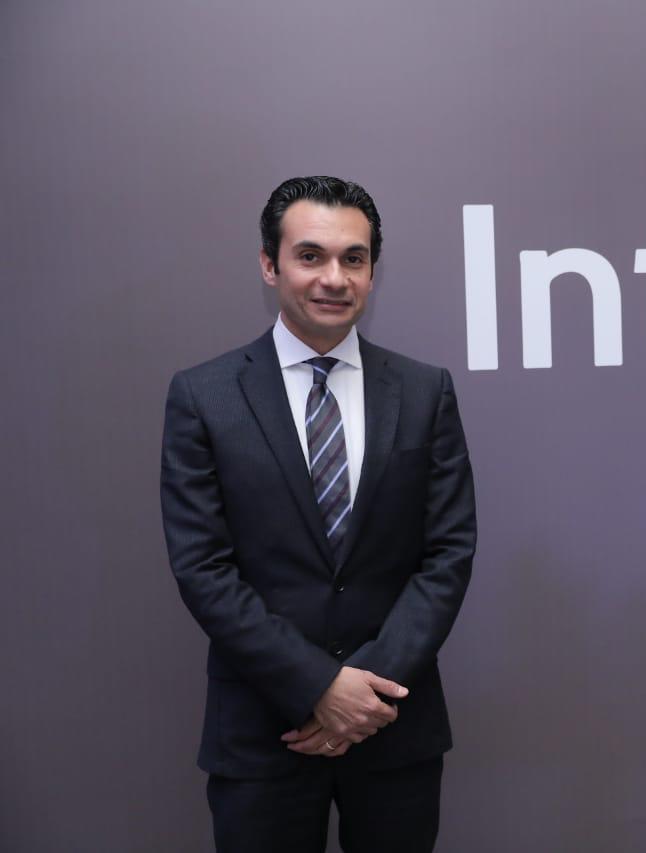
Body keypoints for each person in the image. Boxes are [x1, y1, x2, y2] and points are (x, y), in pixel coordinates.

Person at [160, 176, 476, 852]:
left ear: (372, 272)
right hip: (263, 731)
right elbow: (203, 568)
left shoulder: (425, 391)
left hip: (394, 728)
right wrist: (317, 685)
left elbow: (448, 553)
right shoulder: (204, 396)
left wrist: (365, 696)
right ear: (269, 264)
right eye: (310, 256)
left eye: (353, 258)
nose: (334, 278)